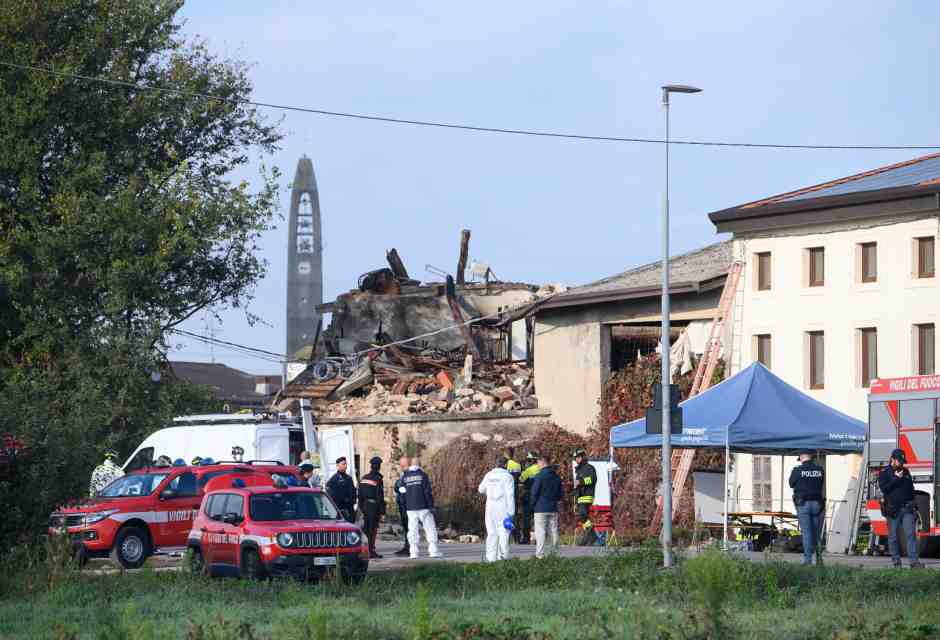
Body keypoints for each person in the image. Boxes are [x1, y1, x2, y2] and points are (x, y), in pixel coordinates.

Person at [879, 448, 924, 569]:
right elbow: (884, 489)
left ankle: (914, 562)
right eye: (899, 461)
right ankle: (896, 563)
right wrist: (896, 479)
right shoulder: (884, 472)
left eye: (903, 461)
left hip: (907, 509)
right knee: (893, 537)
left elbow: (911, 489)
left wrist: (914, 504)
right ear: (892, 459)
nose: (902, 463)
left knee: (911, 534)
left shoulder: (906, 471)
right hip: (893, 510)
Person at [400, 458, 442, 559]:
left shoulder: (404, 476)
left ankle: (413, 552)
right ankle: (433, 551)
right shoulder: (423, 475)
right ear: (420, 464)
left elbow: (402, 492)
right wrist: (431, 506)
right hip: (423, 506)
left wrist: (404, 506)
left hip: (410, 507)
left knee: (412, 530)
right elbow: (427, 492)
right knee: (429, 528)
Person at [788, 451, 825, 566]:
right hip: (817, 505)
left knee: (807, 533)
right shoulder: (820, 470)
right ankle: (819, 560)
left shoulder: (797, 471)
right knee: (816, 533)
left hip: (803, 504)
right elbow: (820, 483)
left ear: (801, 457)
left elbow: (791, 483)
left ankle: (807, 560)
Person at [478, 455, 516, 562]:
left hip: (490, 508)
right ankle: (502, 558)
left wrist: (490, 492)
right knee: (503, 534)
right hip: (502, 508)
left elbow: (481, 489)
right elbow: (510, 495)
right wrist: (511, 513)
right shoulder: (508, 477)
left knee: (491, 534)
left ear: (496, 463)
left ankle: (490, 559)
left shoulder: (489, 475)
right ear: (505, 465)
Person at [530, 454, 563, 559]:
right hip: (553, 508)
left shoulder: (539, 476)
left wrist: (532, 505)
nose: (537, 465)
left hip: (540, 508)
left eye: (538, 462)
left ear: (542, 462)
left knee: (540, 531)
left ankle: (540, 554)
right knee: (554, 530)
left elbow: (534, 492)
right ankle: (555, 553)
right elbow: (560, 494)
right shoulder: (556, 477)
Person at [359, 456, 386, 559]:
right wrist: (382, 511)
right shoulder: (378, 479)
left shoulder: (364, 478)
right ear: (379, 466)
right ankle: (371, 550)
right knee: (373, 529)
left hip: (365, 506)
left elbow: (360, 494)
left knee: (366, 529)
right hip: (374, 507)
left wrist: (361, 507)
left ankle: (365, 550)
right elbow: (380, 496)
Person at [573, 449, 597, 546]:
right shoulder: (579, 469)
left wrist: (581, 482)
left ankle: (590, 532)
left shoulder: (589, 468)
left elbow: (592, 479)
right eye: (575, 458)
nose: (577, 459)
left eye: (578, 457)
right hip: (580, 496)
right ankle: (591, 535)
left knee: (582, 515)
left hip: (587, 495)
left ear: (583, 457)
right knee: (582, 516)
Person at [518, 451, 540, 544]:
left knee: (526, 519)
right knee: (538, 519)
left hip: (528, 497)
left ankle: (526, 538)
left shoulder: (529, 470)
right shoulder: (541, 469)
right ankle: (539, 538)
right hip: (539, 498)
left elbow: (520, 479)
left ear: (531, 460)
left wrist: (523, 471)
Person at [326, 457, 357, 523]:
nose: (345, 466)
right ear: (337, 466)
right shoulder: (334, 479)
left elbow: (353, 491)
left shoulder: (348, 478)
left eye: (346, 464)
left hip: (350, 509)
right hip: (341, 509)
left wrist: (353, 500)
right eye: (343, 464)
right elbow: (331, 495)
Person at [393, 456, 411, 557]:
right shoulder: (403, 475)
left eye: (402, 464)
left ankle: (409, 548)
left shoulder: (409, 475)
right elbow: (397, 486)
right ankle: (406, 546)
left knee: (409, 527)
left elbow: (400, 487)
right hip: (402, 504)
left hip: (407, 505)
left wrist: (399, 488)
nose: (400, 466)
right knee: (406, 527)